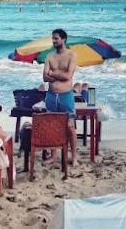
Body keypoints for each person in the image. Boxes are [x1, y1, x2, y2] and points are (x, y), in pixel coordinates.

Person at [42, 28, 78, 166]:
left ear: (63, 39)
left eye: (56, 38)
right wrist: (58, 74)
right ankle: (53, 155)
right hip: (51, 96)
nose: (53, 40)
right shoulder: (49, 56)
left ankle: (74, 157)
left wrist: (53, 72)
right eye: (53, 38)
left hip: (66, 96)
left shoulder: (71, 55)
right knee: (52, 126)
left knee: (70, 127)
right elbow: (45, 77)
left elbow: (68, 76)